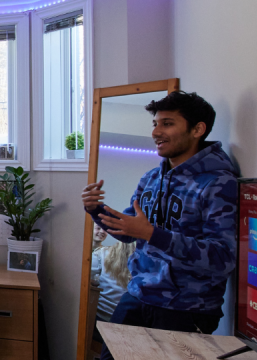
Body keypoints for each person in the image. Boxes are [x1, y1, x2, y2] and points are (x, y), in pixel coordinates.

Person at [80, 91, 238, 345]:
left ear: (198, 129)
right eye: (155, 124)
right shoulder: (152, 177)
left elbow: (222, 257)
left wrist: (153, 234)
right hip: (138, 296)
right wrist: (95, 209)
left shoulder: (218, 183)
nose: (155, 132)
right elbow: (129, 229)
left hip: (186, 310)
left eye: (167, 123)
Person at [89, 224, 135, 322]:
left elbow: (85, 278)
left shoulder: (101, 254)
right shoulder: (146, 263)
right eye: (98, 228)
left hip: (99, 316)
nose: (101, 232)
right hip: (125, 320)